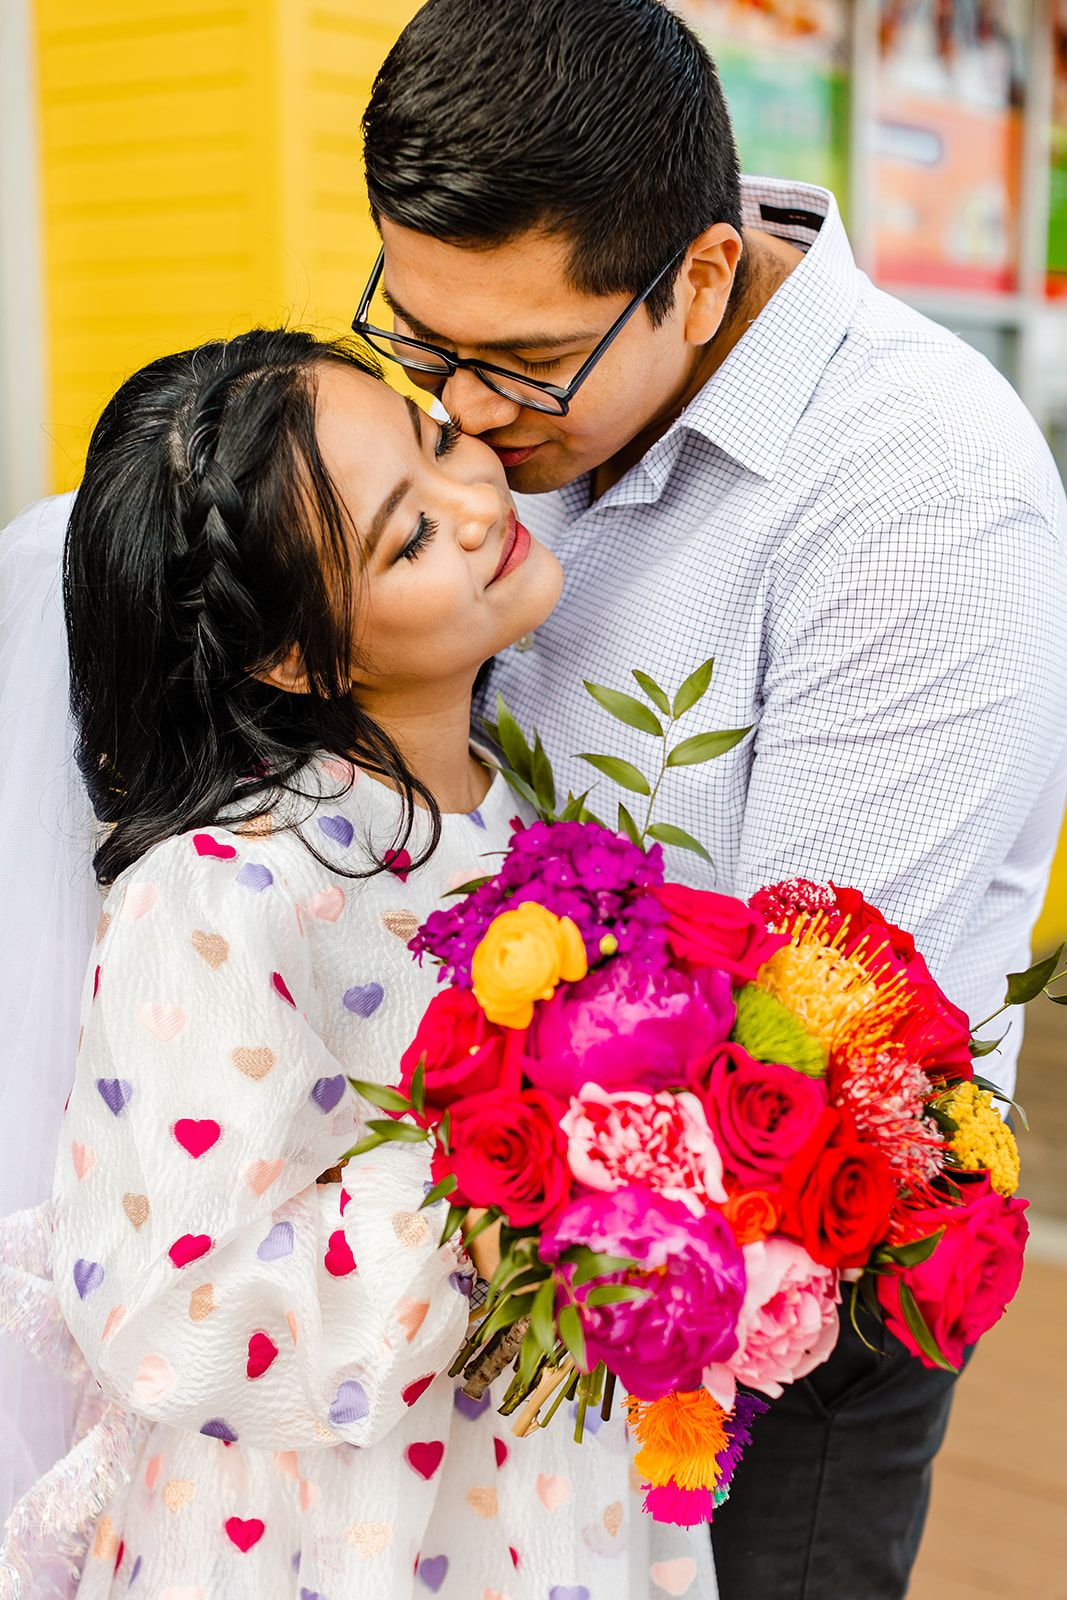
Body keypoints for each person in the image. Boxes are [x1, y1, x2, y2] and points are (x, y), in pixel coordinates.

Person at [354, 2, 1067, 1597]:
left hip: (780, 1296)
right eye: (421, 339)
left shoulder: (920, 494)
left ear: (696, 274)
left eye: (523, 364)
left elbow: (825, 1048)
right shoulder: (521, 415)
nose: (461, 415)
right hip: (508, 1260)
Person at [3, 327, 713, 1598]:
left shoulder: (540, 822)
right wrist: (499, 1190)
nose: (476, 498)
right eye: (407, 538)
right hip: (345, 1536)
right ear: (295, 656)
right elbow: (171, 1312)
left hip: (556, 1495)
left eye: (439, 441)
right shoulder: (224, 893)